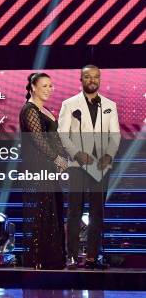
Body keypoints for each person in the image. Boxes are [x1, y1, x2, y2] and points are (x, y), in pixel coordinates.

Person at [58, 65, 120, 270]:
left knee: (97, 213)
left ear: (99, 79)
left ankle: (93, 256)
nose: (92, 80)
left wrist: (109, 155)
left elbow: (115, 135)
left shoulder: (109, 105)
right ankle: (72, 257)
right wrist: (76, 153)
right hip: (78, 164)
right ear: (81, 79)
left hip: (101, 166)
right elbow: (62, 134)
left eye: (95, 77)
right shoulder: (69, 104)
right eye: (87, 77)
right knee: (74, 211)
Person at [19, 72, 68, 269]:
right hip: (38, 167)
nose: (49, 89)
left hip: (50, 168)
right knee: (42, 211)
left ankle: (53, 259)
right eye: (44, 86)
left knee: (53, 210)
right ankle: (40, 259)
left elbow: (53, 138)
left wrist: (63, 157)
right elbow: (38, 139)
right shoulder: (29, 110)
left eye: (50, 86)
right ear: (33, 88)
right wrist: (56, 158)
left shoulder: (44, 110)